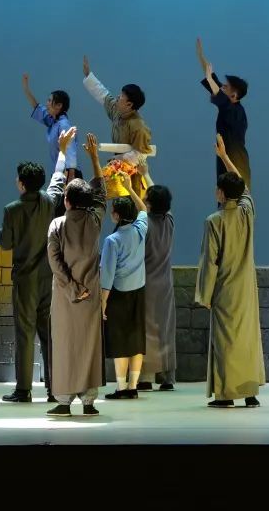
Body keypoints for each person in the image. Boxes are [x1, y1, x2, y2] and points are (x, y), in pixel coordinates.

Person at [197, 134, 264, 408]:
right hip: (246, 289)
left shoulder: (214, 221)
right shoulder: (247, 212)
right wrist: (225, 157)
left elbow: (210, 262)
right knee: (247, 338)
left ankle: (225, 394)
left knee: (225, 340)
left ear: (221, 193)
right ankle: (249, 392)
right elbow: (243, 186)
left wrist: (205, 295)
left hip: (225, 289)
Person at [45, 130, 107, 417]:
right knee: (89, 346)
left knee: (65, 345)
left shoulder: (57, 225)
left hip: (66, 297)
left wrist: (72, 288)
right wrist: (94, 158)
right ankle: (89, 401)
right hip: (91, 295)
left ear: (66, 200)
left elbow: (55, 263)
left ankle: (64, 400)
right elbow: (102, 193)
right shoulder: (95, 220)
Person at [0, 159, 55, 402]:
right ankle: (55, 388)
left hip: (25, 279)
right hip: (48, 277)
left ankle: (23, 389)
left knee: (25, 334)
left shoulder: (12, 210)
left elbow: (5, 244)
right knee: (49, 335)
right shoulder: (50, 203)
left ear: (22, 184)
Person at [100, 175, 149, 400]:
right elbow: (143, 210)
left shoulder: (112, 240)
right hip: (139, 291)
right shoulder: (140, 230)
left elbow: (107, 274)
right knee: (136, 339)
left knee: (119, 339)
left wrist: (103, 302)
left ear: (117, 216)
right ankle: (133, 386)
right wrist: (130, 189)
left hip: (118, 294)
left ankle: (121, 388)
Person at [82, 54, 154, 194]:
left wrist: (117, 159)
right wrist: (88, 75)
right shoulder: (118, 110)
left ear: (129, 104)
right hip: (117, 170)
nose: (117, 97)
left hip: (133, 176)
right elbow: (103, 95)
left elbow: (140, 154)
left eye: (121, 97)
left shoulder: (139, 126)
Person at [195, 38, 250, 188]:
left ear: (234, 96)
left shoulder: (234, 111)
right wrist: (200, 55)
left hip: (236, 164)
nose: (222, 87)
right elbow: (212, 80)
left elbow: (217, 91)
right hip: (224, 159)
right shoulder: (229, 102)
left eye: (226, 87)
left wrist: (210, 79)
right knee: (222, 196)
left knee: (233, 198)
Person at [137, 184, 176, 391]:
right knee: (165, 329)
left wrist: (129, 188)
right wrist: (146, 173)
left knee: (147, 330)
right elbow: (154, 204)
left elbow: (141, 209)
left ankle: (145, 376)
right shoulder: (169, 220)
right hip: (166, 284)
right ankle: (167, 376)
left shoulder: (145, 224)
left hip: (147, 283)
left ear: (150, 204)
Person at [22, 73, 80, 181]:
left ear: (59, 105)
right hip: (59, 172)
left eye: (49, 100)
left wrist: (70, 178)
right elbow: (37, 107)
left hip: (68, 174)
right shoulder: (53, 120)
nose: (47, 104)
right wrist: (26, 88)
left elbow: (70, 150)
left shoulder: (64, 124)